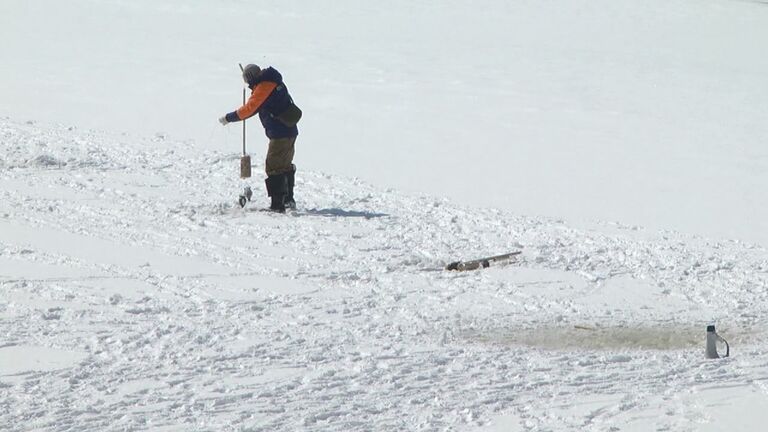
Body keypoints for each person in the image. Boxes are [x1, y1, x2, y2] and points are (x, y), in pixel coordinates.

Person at [219, 64, 301, 212]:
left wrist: (228, 118)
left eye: (246, 79)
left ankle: (278, 205)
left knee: (274, 167)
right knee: (285, 166)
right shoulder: (273, 80)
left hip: (280, 134)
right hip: (290, 131)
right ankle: (288, 200)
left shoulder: (264, 86)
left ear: (250, 78)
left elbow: (250, 109)